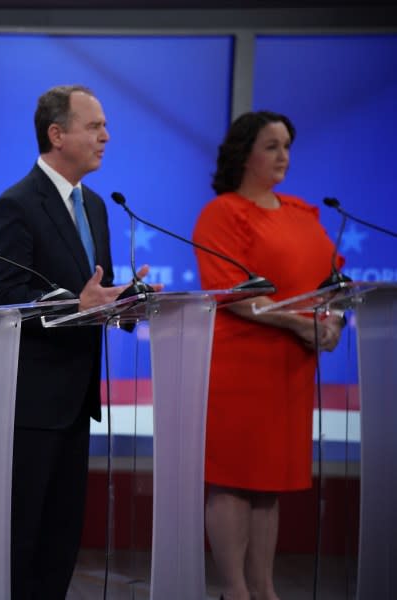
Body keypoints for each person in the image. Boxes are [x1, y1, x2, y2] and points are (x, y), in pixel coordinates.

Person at [0, 84, 154, 599]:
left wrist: (127, 302)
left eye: (104, 126)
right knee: (22, 539)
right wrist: (75, 306)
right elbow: (2, 299)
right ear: (57, 135)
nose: (107, 136)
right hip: (29, 403)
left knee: (61, 539)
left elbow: (94, 293)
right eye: (94, 126)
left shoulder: (96, 206)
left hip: (77, 401)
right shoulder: (16, 205)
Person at [193, 110, 345, 600]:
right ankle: (234, 589)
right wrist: (300, 323)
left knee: (269, 482)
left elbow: (333, 285)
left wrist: (334, 320)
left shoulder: (303, 214)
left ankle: (264, 588)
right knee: (233, 479)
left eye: (287, 146)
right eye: (272, 146)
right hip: (241, 365)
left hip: (291, 367)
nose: (283, 156)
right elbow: (231, 293)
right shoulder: (223, 213)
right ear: (244, 153)